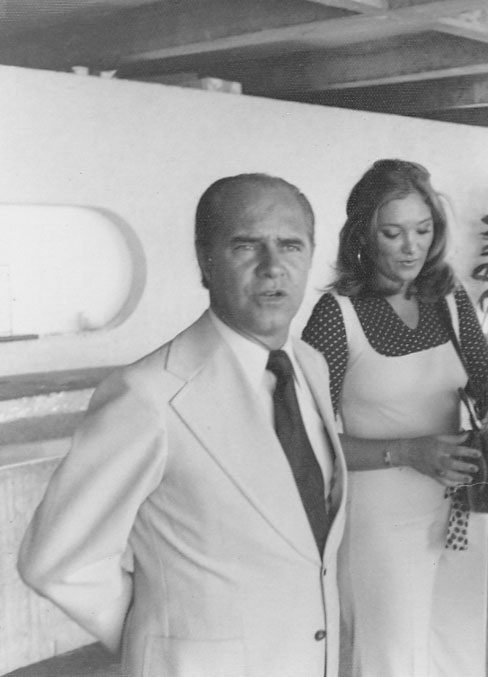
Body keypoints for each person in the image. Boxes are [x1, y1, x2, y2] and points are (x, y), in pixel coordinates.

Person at [18, 174, 347, 677]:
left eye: (290, 245)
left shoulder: (310, 367)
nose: (272, 266)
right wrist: (160, 635)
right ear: (204, 260)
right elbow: (57, 561)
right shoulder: (148, 394)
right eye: (246, 246)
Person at [301, 158, 488, 677]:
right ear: (364, 234)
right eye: (393, 232)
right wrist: (407, 451)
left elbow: (484, 379)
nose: (411, 247)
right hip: (380, 522)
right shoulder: (336, 315)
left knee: (457, 652)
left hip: (459, 510)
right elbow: (310, 441)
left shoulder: (448, 298)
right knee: (392, 660)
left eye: (422, 230)